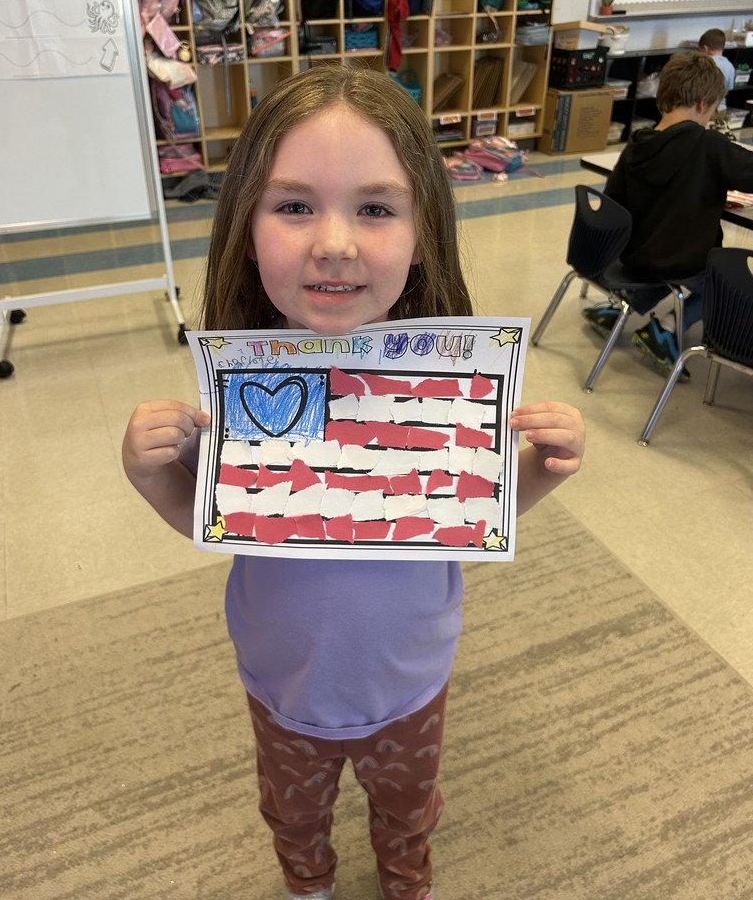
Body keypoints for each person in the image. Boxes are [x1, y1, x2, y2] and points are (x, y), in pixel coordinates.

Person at [122, 66, 585, 900]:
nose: (334, 242)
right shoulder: (248, 393)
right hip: (283, 682)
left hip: (408, 681)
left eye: (374, 208)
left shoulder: (446, 399)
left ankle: (406, 881)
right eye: (294, 204)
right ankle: (309, 885)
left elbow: (464, 516)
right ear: (246, 225)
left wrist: (534, 471)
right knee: (292, 814)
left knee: (407, 812)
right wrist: (148, 475)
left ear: (422, 229)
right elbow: (213, 520)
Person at [582, 51, 753, 379]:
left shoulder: (636, 145)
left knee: (670, 266)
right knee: (721, 280)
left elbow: (613, 202)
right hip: (683, 264)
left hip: (633, 258)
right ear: (703, 104)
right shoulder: (709, 146)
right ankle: (668, 327)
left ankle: (624, 307)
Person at [698, 27, 735, 112]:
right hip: (721, 108)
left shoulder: (703, 63)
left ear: (705, 48)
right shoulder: (730, 66)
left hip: (704, 109)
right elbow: (727, 90)